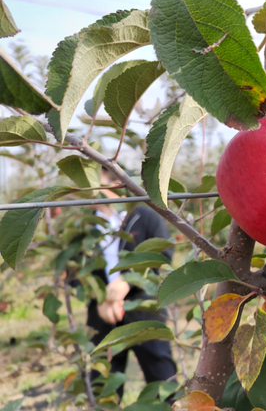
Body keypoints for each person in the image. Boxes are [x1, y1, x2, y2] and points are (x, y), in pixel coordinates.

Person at [87, 167, 177, 399]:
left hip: (142, 307)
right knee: (103, 378)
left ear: (115, 184)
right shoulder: (87, 228)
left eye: (92, 183)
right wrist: (99, 299)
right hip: (103, 313)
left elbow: (163, 252)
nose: (85, 191)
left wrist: (127, 282)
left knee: (160, 372)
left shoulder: (144, 215)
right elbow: (78, 271)